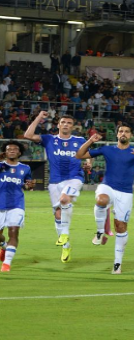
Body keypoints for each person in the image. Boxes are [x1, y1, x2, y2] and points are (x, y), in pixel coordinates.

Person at [75, 124, 134, 274]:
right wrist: (90, 141)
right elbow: (80, 155)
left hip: (125, 193)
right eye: (121, 131)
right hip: (108, 186)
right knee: (101, 200)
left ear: (130, 135)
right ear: (117, 135)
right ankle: (100, 232)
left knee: (120, 227)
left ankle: (117, 264)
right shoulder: (107, 149)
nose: (123, 133)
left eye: (127, 131)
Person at [24, 112, 90, 263]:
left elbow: (88, 154)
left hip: (74, 178)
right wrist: (39, 117)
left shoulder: (79, 140)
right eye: (63, 122)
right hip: (54, 181)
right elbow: (28, 135)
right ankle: (66, 246)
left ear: (73, 127)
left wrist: (88, 164)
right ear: (58, 125)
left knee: (65, 199)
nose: (66, 124)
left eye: (69, 123)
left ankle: (64, 234)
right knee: (58, 215)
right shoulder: (49, 139)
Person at [0, 141, 34, 272]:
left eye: (15, 149)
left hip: (16, 204)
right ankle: (4, 245)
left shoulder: (25, 168)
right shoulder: (1, 166)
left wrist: (29, 186)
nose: (12, 151)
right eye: (9, 149)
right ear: (5, 152)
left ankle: (6, 264)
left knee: (13, 231)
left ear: (19, 152)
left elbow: (27, 184)